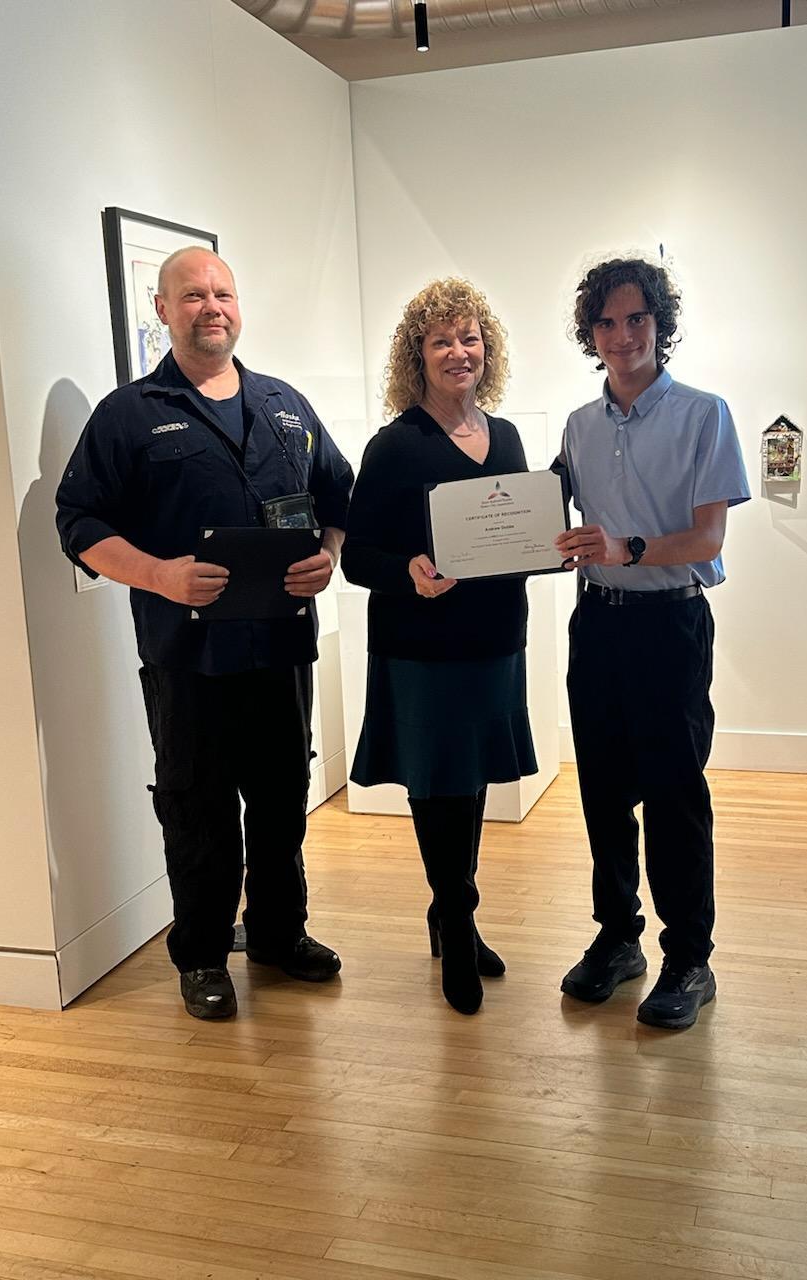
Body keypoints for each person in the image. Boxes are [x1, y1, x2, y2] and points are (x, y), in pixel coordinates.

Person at [56, 247, 353, 1020]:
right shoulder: (129, 415)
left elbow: (339, 498)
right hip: (187, 657)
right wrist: (158, 575)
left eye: (221, 293)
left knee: (285, 802)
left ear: (238, 304)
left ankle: (281, 935)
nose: (210, 306)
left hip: (281, 650)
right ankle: (203, 954)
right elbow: (79, 521)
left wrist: (326, 557)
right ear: (162, 309)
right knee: (199, 810)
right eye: (191, 295)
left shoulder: (285, 405)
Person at [554, 257, 750, 1030]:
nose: (623, 335)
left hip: (669, 624)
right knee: (602, 791)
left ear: (659, 326)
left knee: (674, 795)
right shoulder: (577, 425)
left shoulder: (706, 414)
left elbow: (705, 537)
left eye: (637, 319)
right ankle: (617, 938)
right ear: (591, 334)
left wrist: (625, 548)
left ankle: (690, 958)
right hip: (596, 623)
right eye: (606, 322)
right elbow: (547, 522)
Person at [342, 278, 537, 1016]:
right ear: (416, 356)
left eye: (469, 338)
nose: (459, 352)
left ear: (487, 349)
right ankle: (455, 921)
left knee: (476, 776)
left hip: (494, 638)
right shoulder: (394, 445)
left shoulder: (508, 436)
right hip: (420, 644)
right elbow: (359, 554)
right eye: (441, 341)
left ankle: (454, 907)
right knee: (437, 785)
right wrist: (408, 572)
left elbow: (519, 527)